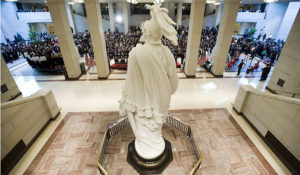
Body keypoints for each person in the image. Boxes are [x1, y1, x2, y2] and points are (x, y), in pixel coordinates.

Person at [119, 3, 178, 159]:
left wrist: (128, 99)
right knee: (155, 129)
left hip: (141, 104)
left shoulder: (136, 53)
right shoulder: (167, 53)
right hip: (161, 102)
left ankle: (147, 144)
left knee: (146, 130)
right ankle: (152, 144)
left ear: (145, 33)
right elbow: (173, 86)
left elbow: (130, 84)